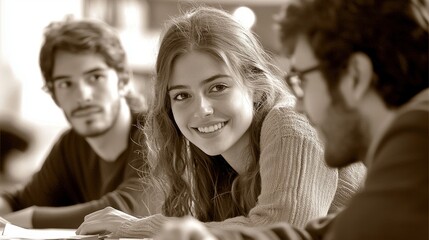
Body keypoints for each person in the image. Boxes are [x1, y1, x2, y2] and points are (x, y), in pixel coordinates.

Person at [76, 6, 365, 238]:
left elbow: (282, 229)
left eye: (218, 88)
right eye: (181, 96)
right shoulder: (213, 163)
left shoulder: (290, 121)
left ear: (255, 87)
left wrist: (140, 227)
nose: (201, 109)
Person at [153, 0, 429, 239]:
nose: (298, 104)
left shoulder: (418, 139)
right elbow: (314, 234)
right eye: (181, 96)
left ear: (355, 76)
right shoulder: (398, 174)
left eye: (303, 80)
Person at [0, 19, 158, 229]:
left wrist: (24, 219)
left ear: (123, 81)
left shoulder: (155, 131)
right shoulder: (70, 145)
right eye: (66, 84)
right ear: (54, 95)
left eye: (95, 77)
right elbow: (20, 201)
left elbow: (125, 210)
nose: (82, 95)